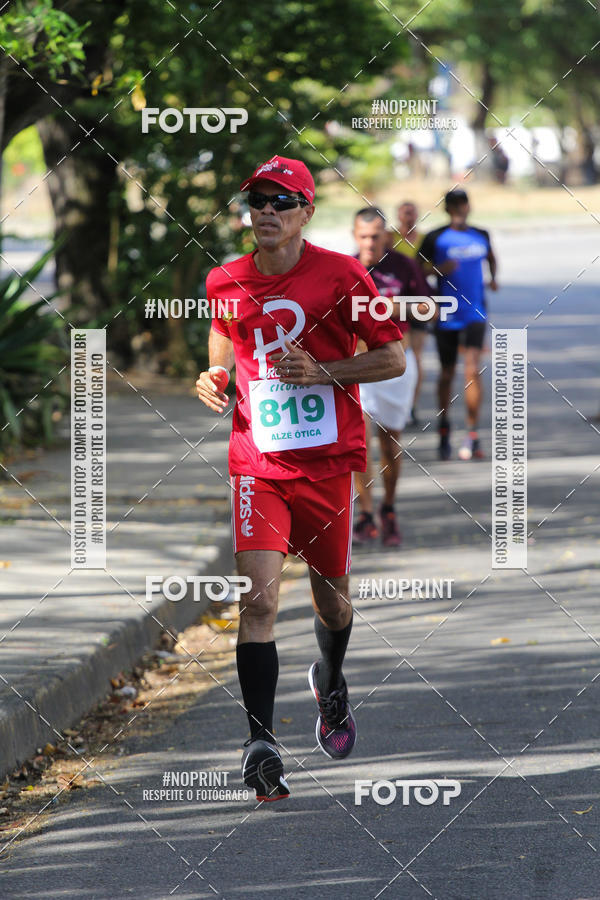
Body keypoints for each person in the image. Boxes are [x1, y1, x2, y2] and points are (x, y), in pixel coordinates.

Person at [195, 156, 405, 802]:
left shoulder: (343, 276)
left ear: (306, 212)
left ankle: (331, 681)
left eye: (280, 201)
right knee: (257, 600)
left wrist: (327, 372)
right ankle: (261, 742)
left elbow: (393, 357)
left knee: (331, 600)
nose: (265, 212)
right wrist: (217, 377)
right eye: (256, 200)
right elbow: (223, 333)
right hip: (258, 462)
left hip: (327, 463)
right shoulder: (224, 279)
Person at [352, 207, 431, 547]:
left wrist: (394, 307)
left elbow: (431, 306)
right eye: (364, 236)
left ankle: (389, 506)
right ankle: (366, 512)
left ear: (385, 234)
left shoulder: (402, 265)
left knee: (389, 442)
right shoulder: (346, 268)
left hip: (396, 362)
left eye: (376, 235)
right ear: (354, 235)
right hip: (356, 363)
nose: (370, 243)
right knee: (358, 441)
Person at [419, 188, 498, 461]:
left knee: (473, 371)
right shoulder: (435, 237)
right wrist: (439, 269)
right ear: (447, 209)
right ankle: (444, 427)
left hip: (475, 313)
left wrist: (494, 278)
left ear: (468, 206)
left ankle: (472, 433)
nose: (460, 210)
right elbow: (418, 270)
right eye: (454, 206)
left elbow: (491, 258)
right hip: (447, 313)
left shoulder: (481, 234)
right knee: (446, 374)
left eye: (463, 204)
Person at [387, 201, 427, 425]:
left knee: (416, 356)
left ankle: (411, 404)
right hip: (393, 302)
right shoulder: (389, 237)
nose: (409, 217)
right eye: (405, 213)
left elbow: (430, 266)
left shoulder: (423, 240)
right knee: (396, 351)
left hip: (417, 300)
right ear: (398, 215)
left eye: (412, 213)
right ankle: (391, 399)